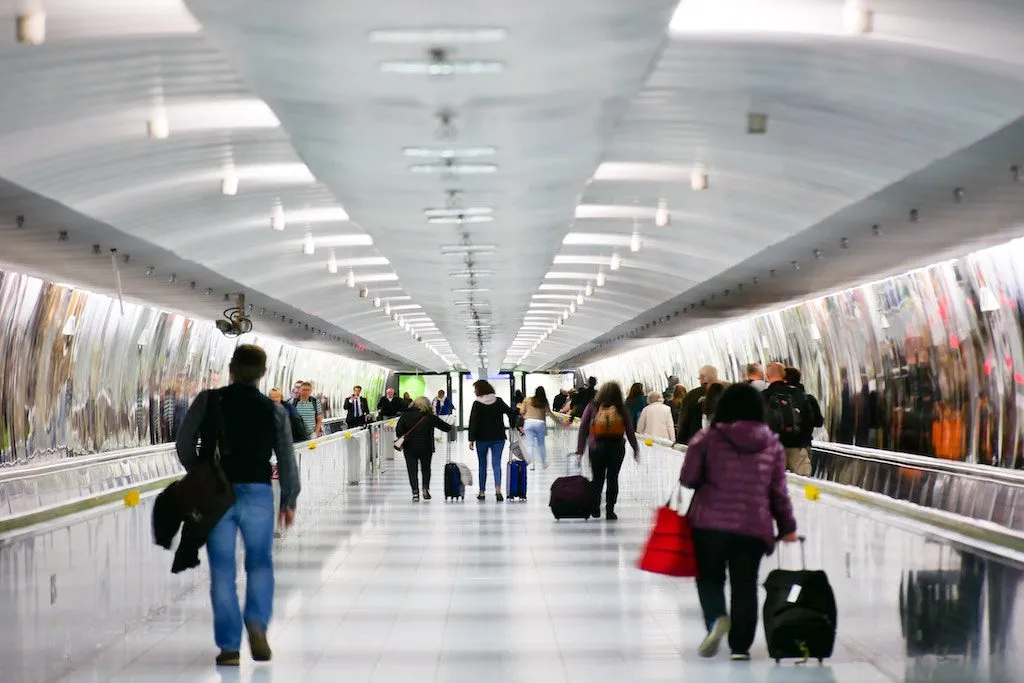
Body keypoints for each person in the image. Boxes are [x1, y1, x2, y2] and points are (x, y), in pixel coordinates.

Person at [175, 345, 300, 667]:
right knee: (260, 563)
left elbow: (183, 443)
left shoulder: (208, 400)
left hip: (218, 495)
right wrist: (288, 499)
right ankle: (257, 624)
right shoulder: (274, 409)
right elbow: (286, 456)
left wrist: (200, 472)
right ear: (262, 373)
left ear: (231, 368)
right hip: (258, 491)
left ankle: (229, 647)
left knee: (222, 571)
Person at [679, 382, 798, 661]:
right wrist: (788, 527)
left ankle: (716, 619)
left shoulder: (706, 438)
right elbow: (779, 491)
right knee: (745, 585)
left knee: (709, 578)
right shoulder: (771, 442)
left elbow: (688, 479)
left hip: (709, 524)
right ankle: (741, 647)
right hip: (753, 526)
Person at [576, 382, 640, 520]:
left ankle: (595, 507)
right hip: (616, 448)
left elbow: (583, 428)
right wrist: (635, 448)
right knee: (613, 478)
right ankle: (610, 510)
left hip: (596, 447)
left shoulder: (593, 406)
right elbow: (629, 430)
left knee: (597, 479)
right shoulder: (622, 408)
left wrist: (580, 449)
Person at [467, 379, 518, 502]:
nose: (474, 391)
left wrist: (471, 439)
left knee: (482, 465)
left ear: (479, 390)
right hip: (498, 438)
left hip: (482, 439)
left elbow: (473, 422)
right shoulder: (498, 401)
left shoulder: (477, 404)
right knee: (496, 464)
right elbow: (511, 412)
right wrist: (512, 424)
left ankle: (482, 492)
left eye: (475, 389)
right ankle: (498, 491)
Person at [395, 396, 453, 501]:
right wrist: (451, 421)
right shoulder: (429, 417)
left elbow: (398, 431)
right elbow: (447, 428)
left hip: (409, 448)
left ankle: (415, 493)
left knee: (412, 470)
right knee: (426, 469)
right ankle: (425, 489)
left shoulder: (405, 415)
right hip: (426, 447)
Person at [763, 363, 814, 475]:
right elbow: (810, 420)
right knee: (805, 484)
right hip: (796, 446)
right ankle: (808, 492)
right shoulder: (798, 394)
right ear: (784, 375)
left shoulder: (762, 396)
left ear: (767, 375)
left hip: (771, 449)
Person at [785, 366, 825, 470]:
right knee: (805, 481)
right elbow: (819, 422)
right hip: (803, 445)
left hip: (782, 445)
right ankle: (810, 488)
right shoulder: (808, 398)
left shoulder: (776, 397)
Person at [519, 386, 563, 469]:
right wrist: (559, 422)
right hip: (540, 423)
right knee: (541, 444)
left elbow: (522, 411)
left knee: (530, 445)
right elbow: (550, 413)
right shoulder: (544, 402)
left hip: (528, 423)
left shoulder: (528, 400)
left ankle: (531, 464)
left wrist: (523, 411)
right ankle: (543, 463)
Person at [676, 366, 718, 445]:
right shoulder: (726, 394)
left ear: (702, 378)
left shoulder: (691, 396)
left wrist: (680, 441)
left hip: (695, 442)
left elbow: (684, 421)